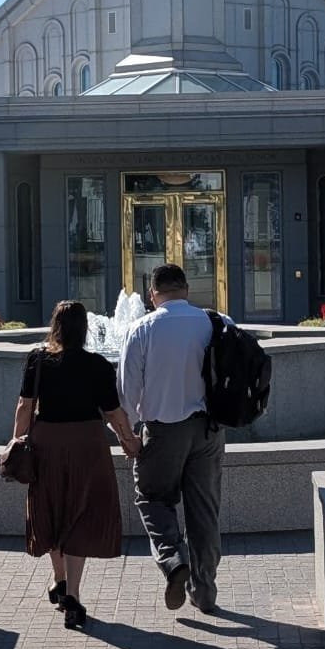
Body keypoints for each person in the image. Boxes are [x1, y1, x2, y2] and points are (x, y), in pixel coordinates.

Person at [9, 298, 139, 631]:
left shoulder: (37, 360)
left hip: (47, 443)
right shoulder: (96, 365)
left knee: (52, 510)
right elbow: (113, 412)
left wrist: (17, 441)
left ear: (56, 327)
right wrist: (129, 441)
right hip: (88, 445)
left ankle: (60, 580)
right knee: (80, 513)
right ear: (84, 330)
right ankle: (74, 597)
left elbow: (25, 405)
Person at [118, 262, 225, 615]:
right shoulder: (215, 322)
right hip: (209, 429)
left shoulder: (143, 328)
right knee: (204, 510)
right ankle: (205, 591)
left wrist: (129, 435)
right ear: (187, 290)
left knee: (151, 498)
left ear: (152, 295)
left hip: (162, 431)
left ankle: (173, 559)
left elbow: (126, 390)